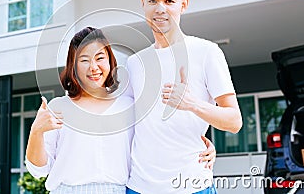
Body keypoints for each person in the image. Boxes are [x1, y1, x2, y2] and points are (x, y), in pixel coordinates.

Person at [26, 27, 216, 194]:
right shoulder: (58, 108)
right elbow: (39, 170)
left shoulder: (128, 106)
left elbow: (155, 139)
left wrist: (199, 147)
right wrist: (36, 132)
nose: (93, 67)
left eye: (100, 58)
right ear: (73, 67)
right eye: (84, 60)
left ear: (110, 61)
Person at [125, 0, 243, 194]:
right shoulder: (134, 63)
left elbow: (234, 121)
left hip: (192, 185)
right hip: (139, 187)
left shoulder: (207, 52)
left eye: (169, 0)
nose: (160, 9)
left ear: (184, 4)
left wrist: (192, 104)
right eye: (153, 0)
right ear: (143, 4)